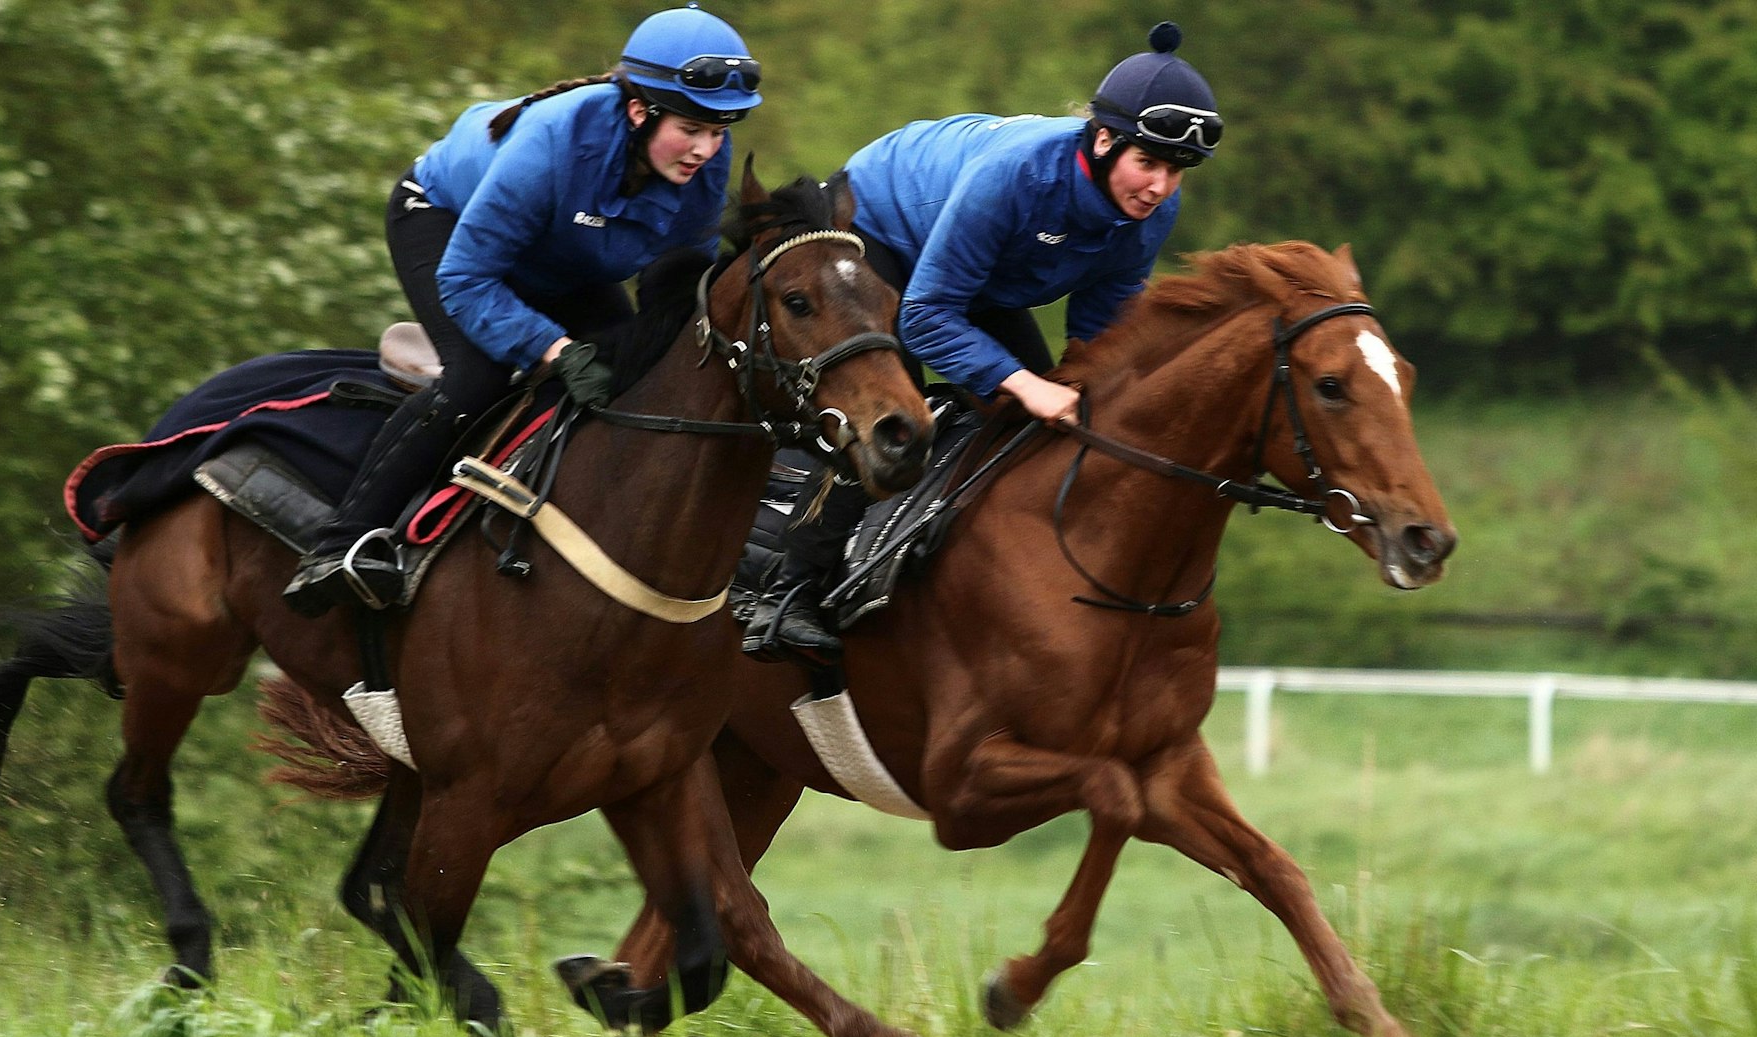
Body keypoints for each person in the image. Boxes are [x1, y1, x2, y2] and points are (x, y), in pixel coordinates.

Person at [744, 20, 1222, 654]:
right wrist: (1024, 382)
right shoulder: (1018, 175)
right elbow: (926, 316)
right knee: (890, 416)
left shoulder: (1153, 211)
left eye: (1177, 170)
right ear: (1105, 141)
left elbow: (1099, 330)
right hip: (878, 235)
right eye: (1148, 163)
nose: (1159, 187)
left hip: (973, 278)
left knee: (1046, 423)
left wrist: (1092, 394)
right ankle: (787, 595)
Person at [284, 4, 762, 615]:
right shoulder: (554, 138)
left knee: (632, 379)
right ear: (640, 111)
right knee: (476, 379)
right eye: (691, 129)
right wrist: (554, 350)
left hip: (563, 258)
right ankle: (338, 545)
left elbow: (676, 285)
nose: (704, 149)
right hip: (448, 229)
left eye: (719, 131)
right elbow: (467, 278)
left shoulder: (705, 161)